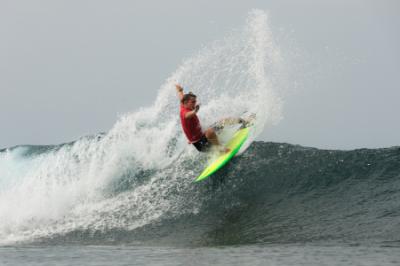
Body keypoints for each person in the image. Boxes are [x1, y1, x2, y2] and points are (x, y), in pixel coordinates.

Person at [176, 84, 246, 153]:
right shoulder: (184, 113)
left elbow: (181, 96)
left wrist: (180, 90)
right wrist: (195, 111)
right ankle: (220, 149)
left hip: (203, 136)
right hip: (201, 145)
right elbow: (188, 115)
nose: (195, 103)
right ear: (186, 102)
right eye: (193, 102)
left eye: (195, 101)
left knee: (222, 122)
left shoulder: (183, 105)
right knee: (209, 131)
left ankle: (244, 121)